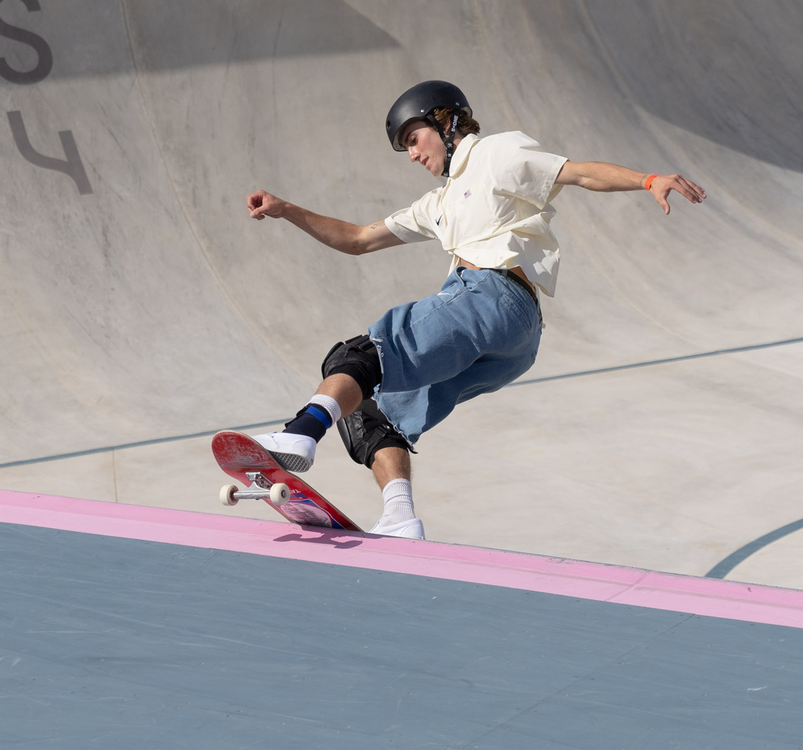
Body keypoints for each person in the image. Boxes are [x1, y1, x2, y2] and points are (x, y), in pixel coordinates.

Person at [245, 80, 706, 540]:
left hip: (493, 294)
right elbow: (358, 239)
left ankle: (301, 432)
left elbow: (579, 172)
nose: (411, 154)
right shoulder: (440, 202)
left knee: (360, 356)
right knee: (373, 412)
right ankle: (400, 516)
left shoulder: (494, 154)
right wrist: (287, 210)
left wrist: (648, 180)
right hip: (515, 344)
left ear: (445, 121)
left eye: (413, 139)